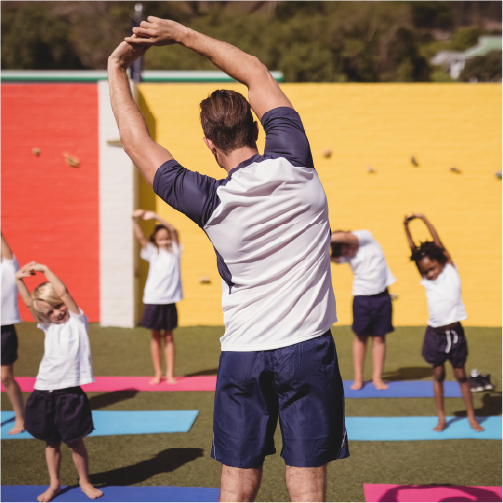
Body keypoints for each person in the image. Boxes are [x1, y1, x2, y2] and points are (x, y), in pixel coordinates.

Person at [108, 16, 349, 503]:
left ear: (209, 143)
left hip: (243, 354)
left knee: (237, 484)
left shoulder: (207, 200)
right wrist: (184, 36)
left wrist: (117, 69)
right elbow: (255, 72)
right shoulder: (295, 158)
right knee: (307, 483)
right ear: (256, 126)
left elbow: (137, 144)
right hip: (307, 350)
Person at [15, 262, 103, 502]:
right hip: (43, 391)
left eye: (58, 306)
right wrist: (18, 280)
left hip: (70, 394)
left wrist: (44, 269)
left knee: (75, 443)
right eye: (49, 311)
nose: (56, 313)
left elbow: (63, 292)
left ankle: (84, 481)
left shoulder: (77, 320)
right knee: (51, 443)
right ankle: (54, 484)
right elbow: (28, 304)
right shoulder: (47, 325)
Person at [403, 213, 483, 432]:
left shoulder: (450, 269)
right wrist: (406, 226)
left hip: (455, 334)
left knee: (460, 376)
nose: (429, 274)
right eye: (425, 271)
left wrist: (426, 222)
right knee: (438, 375)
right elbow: (413, 251)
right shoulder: (426, 280)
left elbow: (440, 244)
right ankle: (441, 417)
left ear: (440, 261)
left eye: (432, 268)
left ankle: (471, 416)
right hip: (435, 335)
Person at [330, 230, 396, 391]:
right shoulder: (346, 255)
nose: (349, 253)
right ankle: (358, 377)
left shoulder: (366, 238)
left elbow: (345, 237)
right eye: (345, 252)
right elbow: (334, 259)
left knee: (379, 337)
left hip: (382, 296)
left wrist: (322, 235)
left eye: (348, 248)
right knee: (361, 337)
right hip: (361, 298)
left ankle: (377, 377)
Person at [132, 209, 182, 385]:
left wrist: (157, 218)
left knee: (168, 337)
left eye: (167, 238)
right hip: (153, 300)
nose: (166, 241)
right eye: (161, 239)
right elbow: (140, 239)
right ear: (156, 241)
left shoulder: (176, 250)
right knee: (155, 337)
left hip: (169, 301)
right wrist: (135, 221)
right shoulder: (152, 252)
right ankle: (158, 373)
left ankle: (170, 373)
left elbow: (173, 230)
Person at [0, 226, 25, 435]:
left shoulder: (8, 269)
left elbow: (7, 253)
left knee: (6, 377)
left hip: (4, 330)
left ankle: (20, 417)